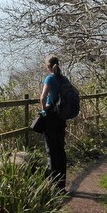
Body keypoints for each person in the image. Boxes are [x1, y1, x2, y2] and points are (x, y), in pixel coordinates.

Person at [40, 55, 67, 192]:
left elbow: (43, 97)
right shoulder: (64, 78)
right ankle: (61, 186)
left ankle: (51, 186)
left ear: (48, 66)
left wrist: (44, 110)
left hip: (51, 117)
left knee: (51, 151)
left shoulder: (50, 78)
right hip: (61, 118)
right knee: (60, 150)